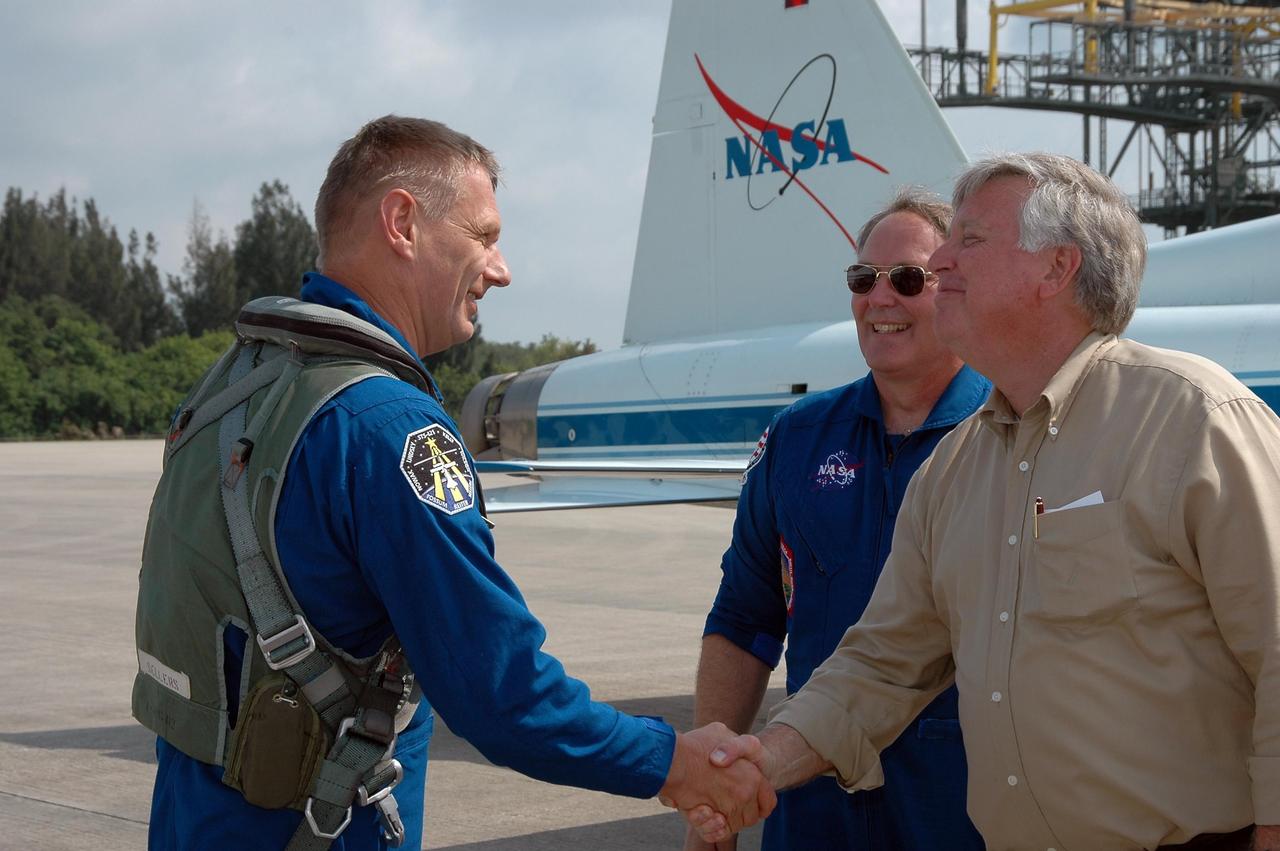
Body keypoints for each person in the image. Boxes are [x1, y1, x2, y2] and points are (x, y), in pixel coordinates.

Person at [133, 115, 773, 851]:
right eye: (484, 235)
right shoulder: (389, 428)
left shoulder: (234, 388)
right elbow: (501, 691)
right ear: (403, 222)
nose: (501, 269)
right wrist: (675, 763)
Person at [687, 152, 1280, 851]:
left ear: (1056, 268)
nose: (939, 260)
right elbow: (881, 664)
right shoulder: (955, 469)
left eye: (969, 239)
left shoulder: (1193, 419)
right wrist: (760, 762)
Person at [687, 189, 988, 851]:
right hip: (813, 802)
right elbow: (745, 619)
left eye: (908, 279)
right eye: (863, 279)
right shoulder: (798, 439)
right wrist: (712, 784)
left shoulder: (1007, 435)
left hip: (964, 806)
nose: (880, 299)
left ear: (953, 286)